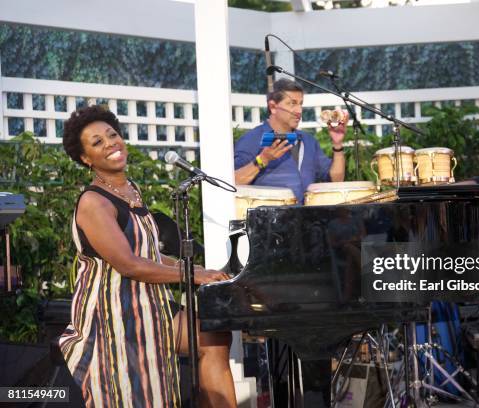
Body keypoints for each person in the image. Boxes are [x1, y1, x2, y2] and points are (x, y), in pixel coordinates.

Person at [58, 105, 237, 408]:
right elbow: (129, 263)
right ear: (86, 159)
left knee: (213, 336)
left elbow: (150, 253)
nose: (110, 143)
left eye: (112, 135)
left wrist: (197, 268)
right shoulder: (94, 202)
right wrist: (192, 275)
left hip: (149, 306)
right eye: (97, 142)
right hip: (113, 316)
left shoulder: (130, 191)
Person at [234, 78, 348, 203]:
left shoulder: (308, 141)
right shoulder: (252, 139)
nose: (299, 111)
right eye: (292, 103)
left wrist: (337, 144)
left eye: (300, 104)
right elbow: (234, 182)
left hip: (307, 219)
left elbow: (336, 180)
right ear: (273, 106)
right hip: (271, 220)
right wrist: (263, 160)